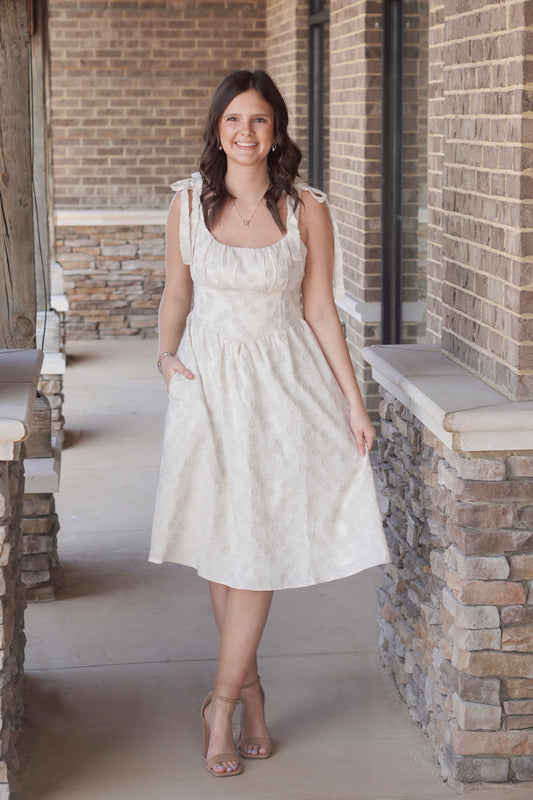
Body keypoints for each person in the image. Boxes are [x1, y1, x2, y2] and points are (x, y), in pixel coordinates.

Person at [149, 69, 391, 778]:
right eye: (233, 120)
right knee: (223, 541)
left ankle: (221, 703)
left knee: (255, 541)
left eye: (258, 119)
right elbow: (176, 292)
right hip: (207, 387)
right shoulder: (188, 203)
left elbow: (320, 312)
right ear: (217, 129)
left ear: (276, 129)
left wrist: (353, 402)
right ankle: (251, 691)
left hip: (283, 388)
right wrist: (165, 357)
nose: (245, 132)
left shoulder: (306, 208)